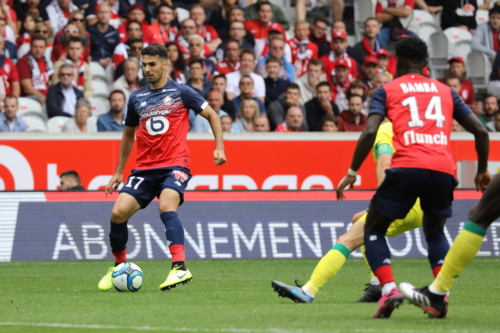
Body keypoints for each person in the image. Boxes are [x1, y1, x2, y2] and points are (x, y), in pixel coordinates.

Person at [335, 36, 489, 319]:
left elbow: (369, 132)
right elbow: (480, 131)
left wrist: (352, 172)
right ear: (426, 63)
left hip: (406, 167)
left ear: (397, 63)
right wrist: (481, 170)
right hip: (442, 170)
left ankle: (389, 289)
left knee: (373, 229)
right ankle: (441, 296)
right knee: (434, 232)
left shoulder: (387, 90)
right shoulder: (445, 91)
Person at [98, 43, 227, 292]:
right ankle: (118, 267)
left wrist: (219, 147)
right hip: (144, 169)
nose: (146, 69)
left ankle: (179, 268)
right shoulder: (136, 97)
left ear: (165, 64)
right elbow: (128, 135)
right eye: (144, 64)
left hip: (175, 164)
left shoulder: (182, 92)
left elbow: (212, 115)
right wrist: (118, 171)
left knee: (166, 205)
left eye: (152, 64)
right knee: (117, 214)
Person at [271, 121, 426, 305]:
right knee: (358, 221)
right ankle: (377, 285)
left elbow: (385, 161)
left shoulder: (385, 129)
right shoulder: (410, 128)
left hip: (403, 201)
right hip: (422, 201)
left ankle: (308, 291)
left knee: (347, 240)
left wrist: (386, 200)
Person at [17, 35, 53, 105]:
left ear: (45, 49)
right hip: (30, 97)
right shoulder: (23, 62)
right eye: (35, 46)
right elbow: (28, 89)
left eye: (41, 47)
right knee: (44, 100)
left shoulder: (47, 61)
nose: (38, 50)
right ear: (30, 47)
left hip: (47, 95)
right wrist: (46, 98)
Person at [87, 1, 120, 70]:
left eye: (106, 12)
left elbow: (117, 52)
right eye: (101, 12)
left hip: (110, 64)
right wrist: (98, 60)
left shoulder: (114, 33)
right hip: (93, 63)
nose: (103, 15)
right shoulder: (89, 31)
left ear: (110, 15)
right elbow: (86, 53)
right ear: (96, 14)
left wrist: (111, 59)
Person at [0, 37, 19, 102]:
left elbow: (16, 86)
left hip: (7, 102)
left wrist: (11, 101)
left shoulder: (9, 62)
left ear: (2, 45)